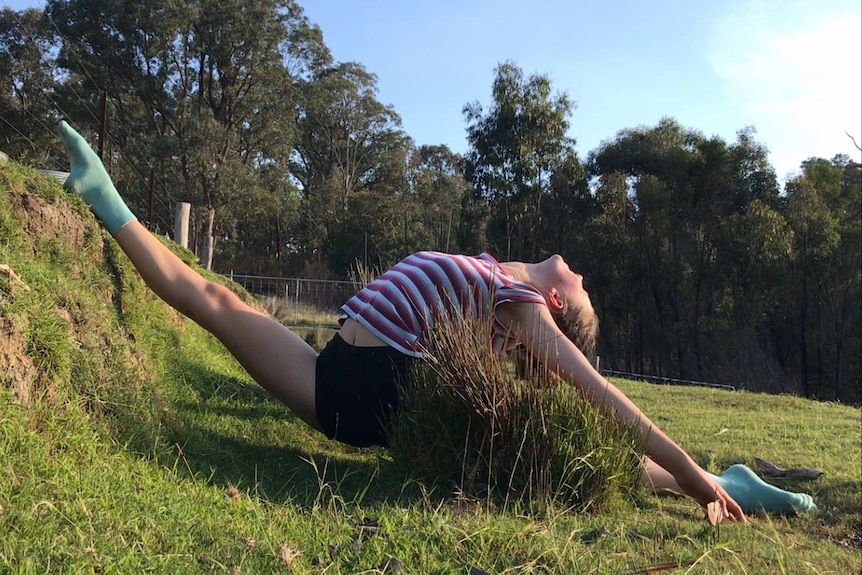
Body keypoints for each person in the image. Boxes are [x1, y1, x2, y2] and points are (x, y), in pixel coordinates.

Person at [57, 120, 819, 522]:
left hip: (378, 394)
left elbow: (607, 401)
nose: (588, 281)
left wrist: (689, 478)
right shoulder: (494, 273)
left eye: (587, 298)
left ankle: (726, 483)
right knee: (218, 305)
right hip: (338, 387)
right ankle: (106, 198)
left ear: (557, 306)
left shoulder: (518, 309)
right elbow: (214, 300)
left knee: (562, 453)